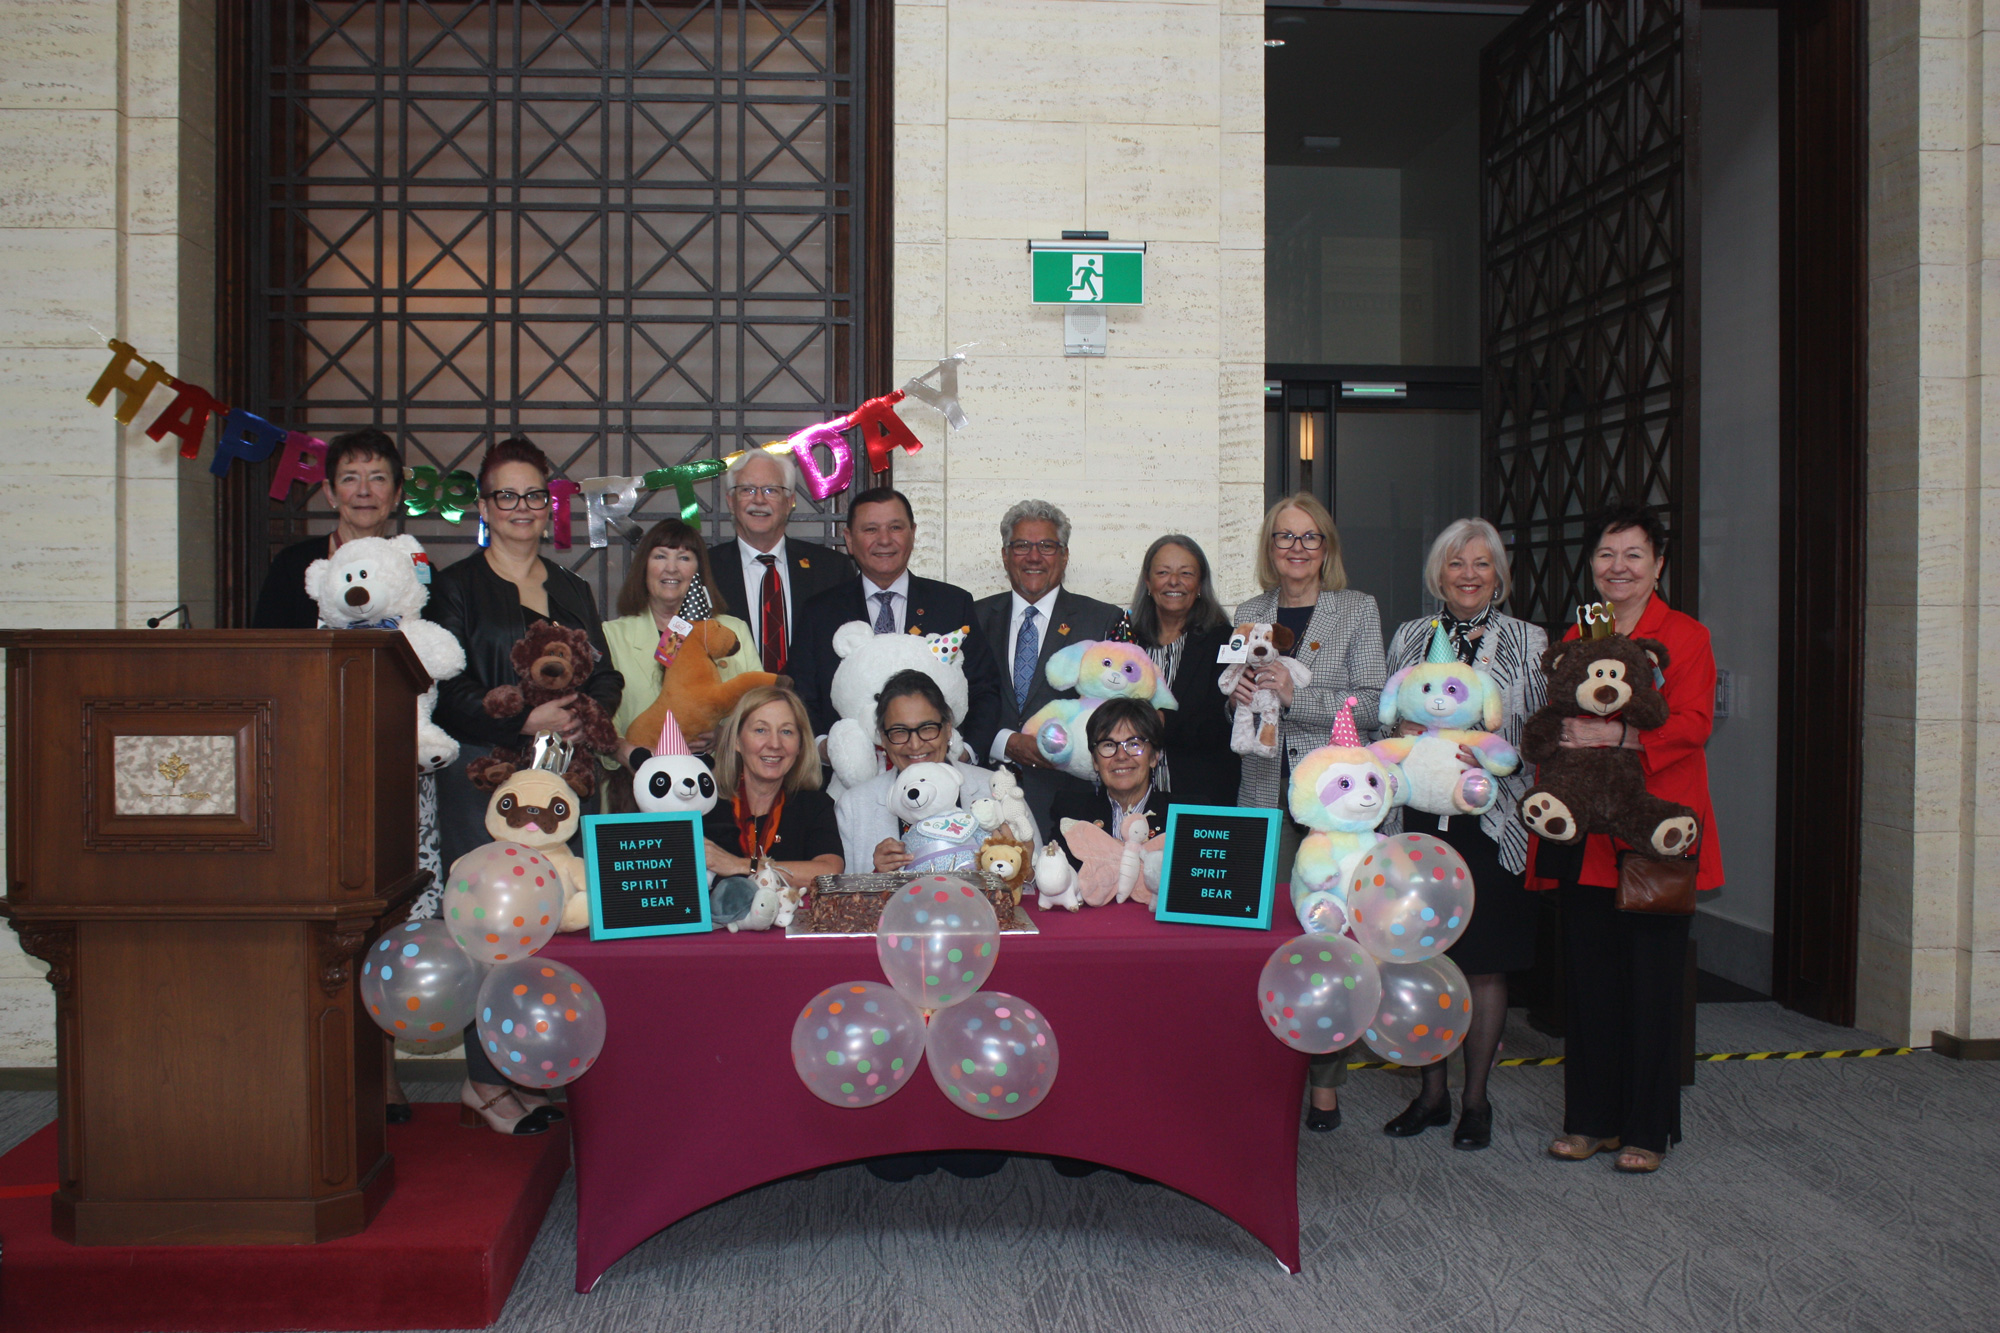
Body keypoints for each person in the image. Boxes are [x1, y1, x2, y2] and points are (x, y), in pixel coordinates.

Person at [428, 437, 622, 1136]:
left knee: (555, 923)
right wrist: (524, 708)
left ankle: (533, 1067)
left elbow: (604, 675)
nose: (520, 507)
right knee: (494, 928)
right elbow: (445, 693)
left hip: (562, 784)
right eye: (505, 495)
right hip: (485, 783)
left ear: (550, 506)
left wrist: (582, 710)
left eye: (532, 495)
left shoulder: (572, 588)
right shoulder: (454, 586)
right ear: (484, 507)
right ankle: (484, 1081)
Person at [1540, 506, 1721, 1174]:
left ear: (1658, 565)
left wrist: (1618, 736)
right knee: (1588, 985)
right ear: (1591, 565)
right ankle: (1588, 1120)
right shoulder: (1577, 632)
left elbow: (1694, 724)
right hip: (1588, 834)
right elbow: (1560, 714)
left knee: (1651, 983)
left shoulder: (1687, 636)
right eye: (1606, 554)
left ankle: (1647, 1127)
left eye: (1633, 555)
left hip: (1654, 830)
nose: (1618, 567)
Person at [1376, 518, 1547, 1151]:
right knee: (1422, 957)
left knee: (1484, 964)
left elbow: (1542, 729)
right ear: (1438, 574)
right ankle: (1431, 1095)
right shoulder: (1411, 637)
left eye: (1481, 564)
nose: (1469, 575)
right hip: (1417, 824)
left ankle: (1476, 1100)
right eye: (1456, 564)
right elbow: (1387, 715)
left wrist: (1499, 757)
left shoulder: (1528, 640)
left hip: (1493, 822)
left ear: (1499, 575)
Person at [1233, 491, 1387, 1132]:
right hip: (1265, 793)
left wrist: (1300, 692)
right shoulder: (1248, 611)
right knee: (1266, 939)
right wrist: (1237, 692)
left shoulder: (1357, 609)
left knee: (1327, 941)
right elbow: (1235, 704)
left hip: (1332, 811)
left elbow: (1375, 701)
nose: (1295, 548)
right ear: (1270, 549)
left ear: (1327, 547)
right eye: (1283, 537)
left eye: (1308, 537)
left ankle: (1324, 1083)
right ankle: (1266, 1074)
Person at [792, 486, 1006, 761]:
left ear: (912, 533)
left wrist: (965, 753)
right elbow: (802, 695)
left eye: (895, 527)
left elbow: (984, 689)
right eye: (870, 529)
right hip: (844, 782)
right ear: (848, 538)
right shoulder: (819, 612)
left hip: (940, 774)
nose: (884, 540)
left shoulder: (953, 604)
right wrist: (828, 749)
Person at [973, 501, 1123, 834]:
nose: (1034, 557)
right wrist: (1004, 741)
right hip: (985, 801)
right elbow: (960, 702)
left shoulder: (1102, 620)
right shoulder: (974, 617)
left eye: (1047, 546)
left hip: (1071, 806)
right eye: (1022, 545)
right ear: (1005, 555)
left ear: (1065, 555)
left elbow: (1115, 713)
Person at [835, 670, 1033, 872]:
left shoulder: (996, 788)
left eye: (927, 728)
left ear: (948, 728)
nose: (915, 744)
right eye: (899, 732)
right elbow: (842, 895)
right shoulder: (854, 806)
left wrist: (1020, 868)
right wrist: (877, 877)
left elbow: (1036, 880)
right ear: (883, 738)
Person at [604, 518, 758, 760]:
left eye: (684, 558)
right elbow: (598, 720)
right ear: (644, 566)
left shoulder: (733, 630)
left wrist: (724, 735)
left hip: (714, 784)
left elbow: (758, 709)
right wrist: (632, 754)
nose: (672, 568)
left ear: (699, 569)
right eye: (660, 556)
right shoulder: (611, 636)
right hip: (633, 783)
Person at [704, 448, 855, 674]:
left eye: (770, 490)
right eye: (746, 490)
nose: (758, 499)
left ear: (789, 502)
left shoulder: (832, 569)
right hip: (730, 706)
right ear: (731, 502)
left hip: (808, 708)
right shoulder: (703, 569)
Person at [251, 427, 406, 629]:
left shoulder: (414, 566)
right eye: (350, 478)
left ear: (397, 494)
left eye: (378, 478)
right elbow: (266, 648)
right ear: (330, 493)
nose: (364, 491)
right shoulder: (293, 565)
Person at [1127, 534, 1239, 809]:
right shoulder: (1126, 640)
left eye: (1186, 573)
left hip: (1200, 797)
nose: (1173, 581)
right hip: (1130, 796)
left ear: (1199, 583)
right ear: (1148, 582)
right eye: (1163, 572)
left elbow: (1225, 721)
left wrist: (1162, 722)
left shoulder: (1225, 641)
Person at [700, 685, 844, 888]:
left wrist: (741, 865)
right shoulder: (707, 805)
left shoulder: (814, 805)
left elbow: (829, 872)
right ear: (737, 741)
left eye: (786, 731)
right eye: (761, 730)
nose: (775, 744)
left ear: (800, 745)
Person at [1050, 698, 1173, 867]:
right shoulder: (1071, 812)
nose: (1121, 756)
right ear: (1095, 760)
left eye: (1134, 744)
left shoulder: (1184, 817)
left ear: (1154, 756)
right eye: (1108, 745)